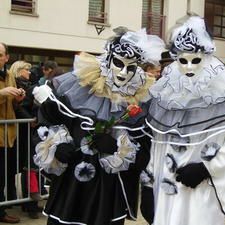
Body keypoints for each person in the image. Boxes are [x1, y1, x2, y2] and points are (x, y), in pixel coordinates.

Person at [32, 28, 164, 225]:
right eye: (118, 63)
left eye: (131, 67)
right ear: (108, 59)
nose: (123, 72)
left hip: (109, 186)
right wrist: (57, 145)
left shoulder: (139, 98)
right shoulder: (78, 86)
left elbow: (144, 149)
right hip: (72, 180)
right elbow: (48, 118)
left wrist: (116, 147)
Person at [140, 17, 225, 225]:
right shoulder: (167, 93)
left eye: (195, 60)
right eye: (182, 61)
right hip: (168, 188)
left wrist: (206, 168)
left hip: (203, 188)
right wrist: (149, 185)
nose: (188, 67)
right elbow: (158, 143)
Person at [10, 60, 43, 219]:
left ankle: (28, 202)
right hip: (23, 131)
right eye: (27, 69)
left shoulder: (29, 85)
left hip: (28, 131)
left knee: (29, 167)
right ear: (19, 70)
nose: (30, 72)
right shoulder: (17, 86)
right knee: (28, 166)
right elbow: (20, 107)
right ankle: (29, 203)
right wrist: (31, 120)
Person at [0, 42, 21, 223]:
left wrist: (18, 98)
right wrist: (2, 93)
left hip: (8, 135)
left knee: (4, 176)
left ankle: (1, 212)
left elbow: (12, 104)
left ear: (6, 57)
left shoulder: (9, 75)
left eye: (0, 55)